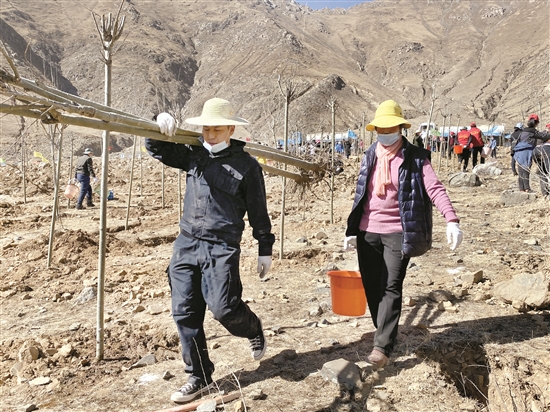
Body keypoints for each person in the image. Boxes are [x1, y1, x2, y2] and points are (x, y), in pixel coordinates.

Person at [147, 98, 275, 404]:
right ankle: (199, 376)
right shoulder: (193, 155)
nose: (211, 134)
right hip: (186, 243)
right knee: (184, 312)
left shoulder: (247, 166)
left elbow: (258, 211)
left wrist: (264, 247)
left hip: (221, 246)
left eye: (217, 129)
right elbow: (158, 149)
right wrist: (157, 125)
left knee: (224, 309)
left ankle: (252, 327)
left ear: (231, 129)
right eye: (206, 129)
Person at [343, 100, 463, 368]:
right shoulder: (370, 154)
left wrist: (451, 219)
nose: (385, 133)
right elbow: (361, 193)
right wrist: (352, 230)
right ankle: (385, 329)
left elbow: (435, 188)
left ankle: (382, 346)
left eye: (390, 128)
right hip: (367, 231)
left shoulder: (416, 157)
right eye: (381, 129)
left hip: (398, 231)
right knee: (372, 285)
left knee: (390, 285)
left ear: (400, 128)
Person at [512, 114, 550, 192]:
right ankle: (527, 188)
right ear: (536, 123)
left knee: (521, 170)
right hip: (526, 150)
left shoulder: (524, 130)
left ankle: (521, 188)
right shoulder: (532, 131)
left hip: (518, 151)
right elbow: (543, 136)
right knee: (526, 169)